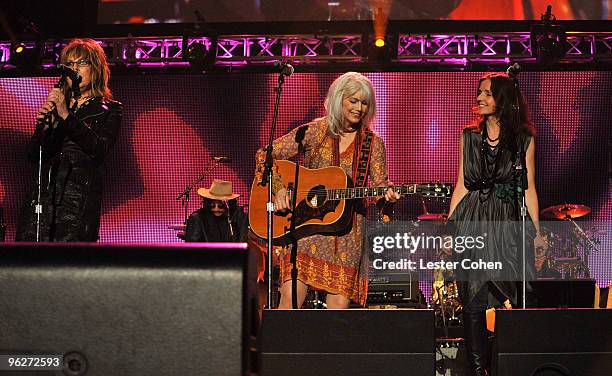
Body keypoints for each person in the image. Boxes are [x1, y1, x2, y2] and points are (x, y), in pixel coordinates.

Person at [255, 72, 400, 309]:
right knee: (289, 306)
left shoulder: (373, 144)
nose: (359, 108)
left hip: (348, 236)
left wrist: (388, 198)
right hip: (305, 227)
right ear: (338, 99)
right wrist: (278, 190)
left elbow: (379, 189)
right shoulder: (314, 132)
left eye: (364, 103)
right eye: (353, 100)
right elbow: (265, 155)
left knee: (335, 318)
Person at [446, 72, 547, 376]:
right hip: (474, 220)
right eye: (479, 92)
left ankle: (510, 366)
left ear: (503, 99)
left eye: (487, 93)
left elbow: (528, 188)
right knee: (473, 299)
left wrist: (538, 234)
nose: (479, 98)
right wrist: (450, 230)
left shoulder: (524, 139)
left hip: (508, 222)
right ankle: (479, 370)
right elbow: (462, 185)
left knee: (516, 297)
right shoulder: (469, 137)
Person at [16, 38, 122, 242]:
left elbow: (99, 148)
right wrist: (46, 129)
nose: (75, 69)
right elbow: (33, 155)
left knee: (65, 267)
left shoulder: (110, 109)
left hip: (76, 205)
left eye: (82, 63)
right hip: (41, 202)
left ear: (96, 68)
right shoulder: (58, 105)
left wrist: (66, 116)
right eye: (70, 64)